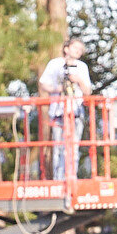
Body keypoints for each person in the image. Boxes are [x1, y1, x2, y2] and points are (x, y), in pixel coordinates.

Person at [37, 35, 92, 179]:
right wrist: (59, 88)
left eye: (80, 49)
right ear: (66, 48)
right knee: (58, 147)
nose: (78, 51)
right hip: (58, 112)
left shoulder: (82, 67)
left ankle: (71, 176)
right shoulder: (55, 64)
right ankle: (58, 178)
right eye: (75, 47)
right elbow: (43, 84)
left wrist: (78, 80)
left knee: (73, 147)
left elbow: (88, 91)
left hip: (75, 112)